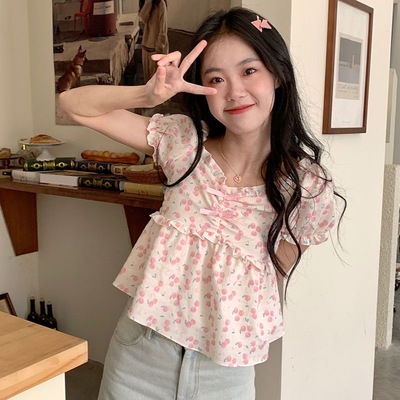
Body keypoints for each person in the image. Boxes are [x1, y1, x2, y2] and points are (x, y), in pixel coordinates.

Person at [59, 7, 346, 400]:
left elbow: (277, 268)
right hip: (141, 354)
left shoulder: (306, 185)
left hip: (225, 370)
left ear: (277, 74)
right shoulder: (183, 143)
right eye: (216, 78)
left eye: (249, 70)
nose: (234, 91)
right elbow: (72, 103)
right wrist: (148, 95)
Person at [139, 0, 169, 83]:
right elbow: (142, 19)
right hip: (145, 48)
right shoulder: (146, 3)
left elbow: (163, 30)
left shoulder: (160, 4)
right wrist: (148, 2)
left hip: (156, 50)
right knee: (147, 82)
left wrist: (158, 48)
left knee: (157, 82)